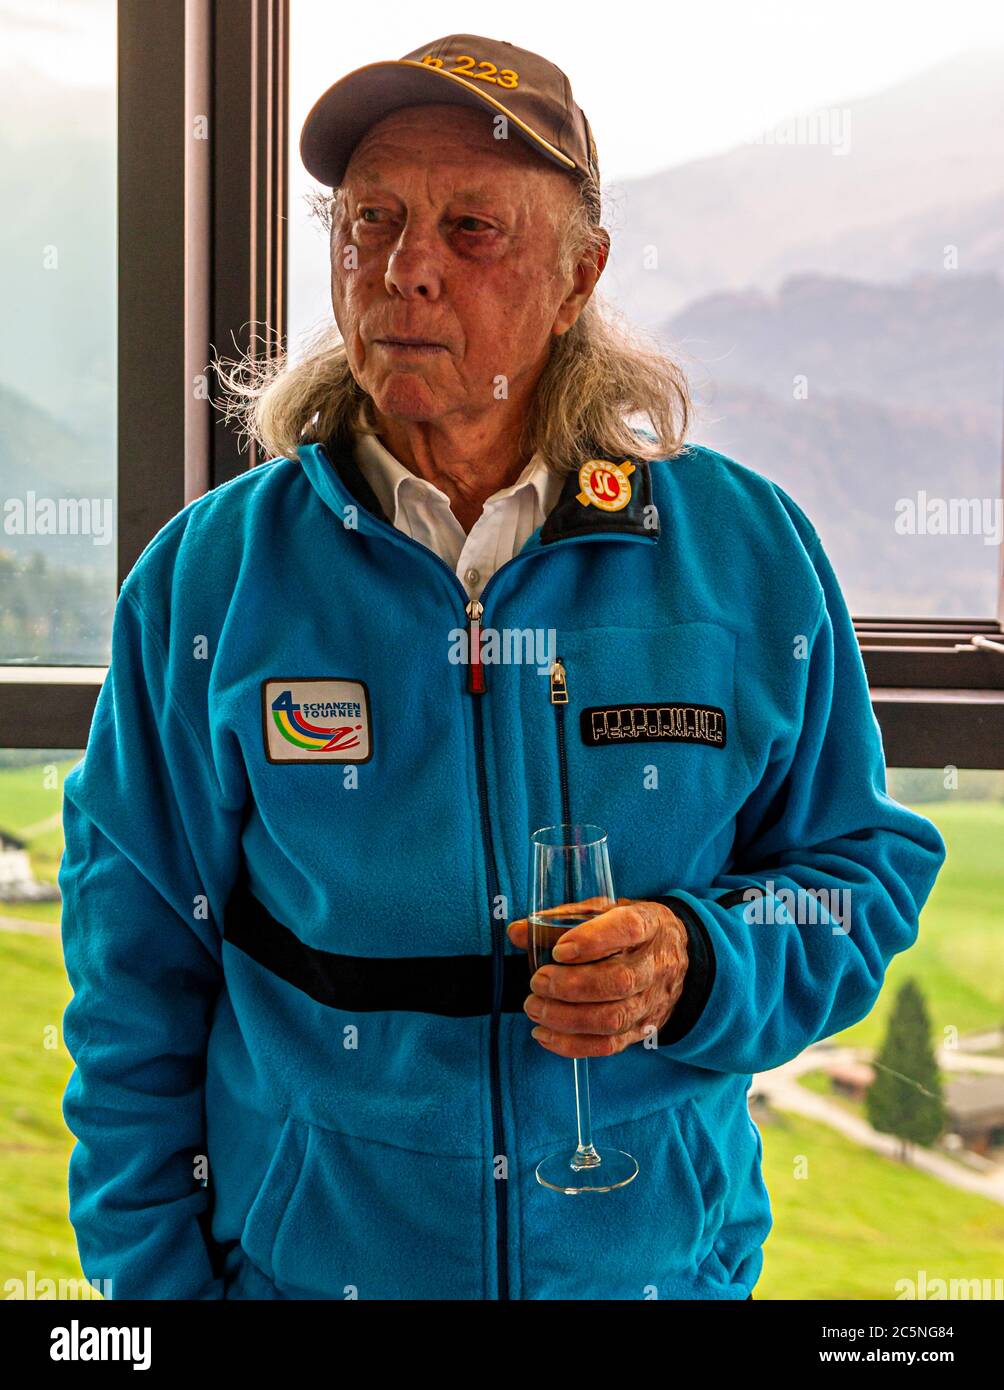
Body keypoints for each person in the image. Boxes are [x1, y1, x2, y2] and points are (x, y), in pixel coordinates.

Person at [59, 32, 946, 1301]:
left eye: (470, 227)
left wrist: (699, 962)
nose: (403, 269)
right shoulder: (210, 584)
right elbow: (130, 986)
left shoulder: (744, 555)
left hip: (655, 1279)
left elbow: (856, 873)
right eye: (370, 221)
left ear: (578, 274)